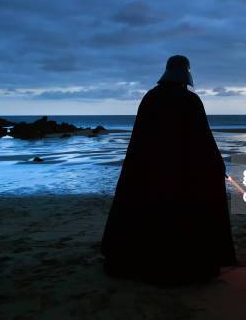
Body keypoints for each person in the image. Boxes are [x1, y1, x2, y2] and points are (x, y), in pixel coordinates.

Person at [101, 55, 237, 285]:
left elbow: (141, 139)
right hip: (184, 172)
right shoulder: (190, 101)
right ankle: (186, 264)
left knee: (151, 212)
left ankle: (144, 260)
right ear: (186, 73)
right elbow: (203, 138)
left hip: (149, 171)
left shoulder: (150, 98)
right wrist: (216, 163)